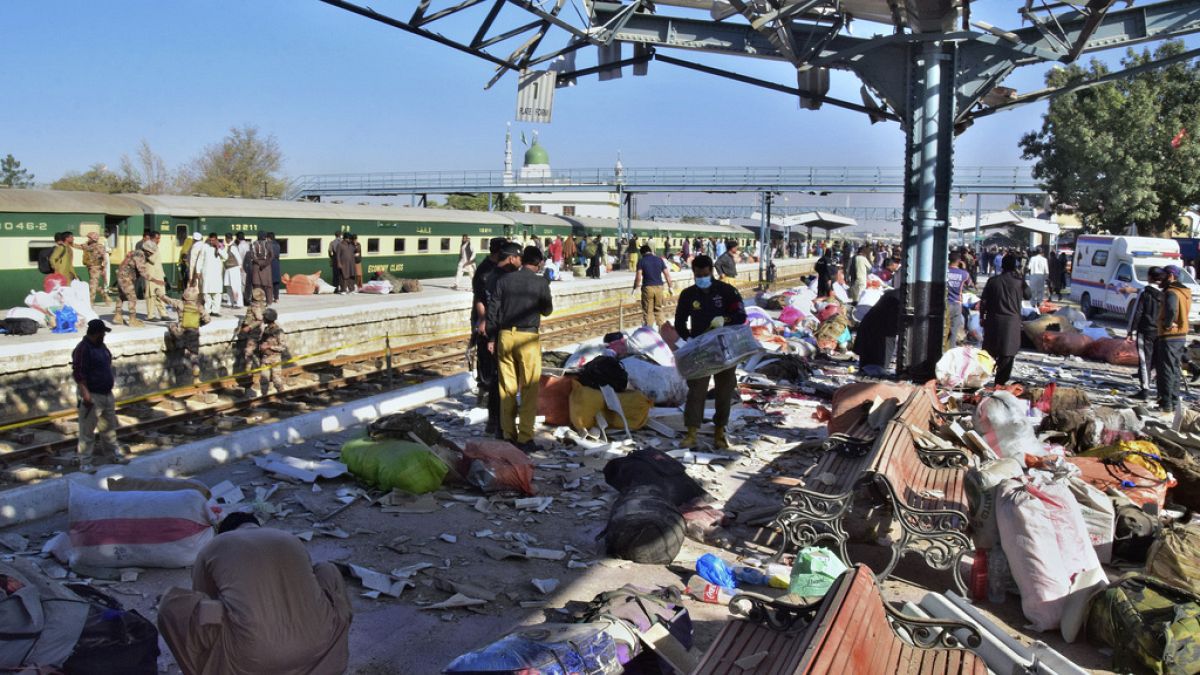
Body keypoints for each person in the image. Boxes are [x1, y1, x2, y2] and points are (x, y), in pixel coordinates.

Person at [156, 512, 352, 675]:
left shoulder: (213, 546)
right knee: (327, 570)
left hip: (251, 656)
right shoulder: (289, 538)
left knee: (176, 604)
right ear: (256, 526)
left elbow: (202, 597)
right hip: (318, 644)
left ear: (223, 533)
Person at [674, 255, 747, 450]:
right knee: (696, 391)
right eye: (698, 275)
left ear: (711, 272)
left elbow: (741, 315)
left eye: (705, 274)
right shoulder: (688, 294)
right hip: (700, 350)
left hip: (724, 348)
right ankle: (691, 433)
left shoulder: (727, 291)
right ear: (693, 273)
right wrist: (689, 340)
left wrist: (725, 320)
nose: (701, 278)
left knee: (724, 390)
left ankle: (719, 432)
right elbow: (679, 322)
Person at [487, 245, 554, 452]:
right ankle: (525, 438)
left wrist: (492, 337)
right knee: (529, 388)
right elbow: (547, 310)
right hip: (528, 339)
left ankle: (508, 436)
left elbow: (493, 310)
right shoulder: (541, 282)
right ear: (539, 263)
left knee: (507, 389)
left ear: (523, 259)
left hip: (505, 336)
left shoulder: (503, 280)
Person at [471, 238, 510, 435]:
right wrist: (484, 320)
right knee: (488, 364)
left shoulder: (498, 270)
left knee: (495, 369)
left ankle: (495, 410)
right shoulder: (485, 272)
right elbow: (481, 299)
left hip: (494, 321)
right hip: (485, 321)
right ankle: (485, 396)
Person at [72, 319, 120, 471]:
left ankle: (112, 455)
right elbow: (79, 373)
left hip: (106, 393)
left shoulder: (102, 347)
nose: (104, 336)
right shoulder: (82, 349)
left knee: (109, 428)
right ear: (96, 333)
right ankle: (85, 462)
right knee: (87, 430)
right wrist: (85, 393)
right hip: (92, 395)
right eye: (103, 333)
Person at [980, 254, 1031, 385]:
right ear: (1015, 267)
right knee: (1007, 354)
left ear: (1001, 266)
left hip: (993, 321)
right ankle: (1000, 383)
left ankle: (982, 381)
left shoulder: (993, 281)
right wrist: (1022, 278)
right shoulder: (1019, 282)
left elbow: (984, 301)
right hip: (1011, 323)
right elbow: (1028, 295)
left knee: (989, 354)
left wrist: (981, 316)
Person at [1155, 265, 1191, 413]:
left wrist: (1167, 324)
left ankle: (1167, 403)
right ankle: (1174, 401)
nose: (1159, 280)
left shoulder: (1171, 292)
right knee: (1175, 369)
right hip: (1180, 335)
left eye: (1162, 276)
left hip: (1170, 336)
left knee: (1166, 370)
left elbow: (1171, 309)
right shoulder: (1184, 292)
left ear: (1170, 276)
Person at [1126, 266, 1164, 401]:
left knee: (1144, 360)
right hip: (1160, 332)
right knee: (1156, 361)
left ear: (1149, 277)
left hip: (1145, 330)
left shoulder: (1145, 293)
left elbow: (1137, 312)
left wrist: (1131, 331)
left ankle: (1145, 390)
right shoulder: (1165, 293)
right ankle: (1159, 391)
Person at [164, 287, 210, 383]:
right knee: (194, 356)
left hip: (180, 333)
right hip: (193, 334)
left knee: (171, 326)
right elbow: (208, 319)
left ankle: (173, 346)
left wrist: (159, 293)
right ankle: (196, 377)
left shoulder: (180, 304)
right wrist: (199, 324)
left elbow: (167, 300)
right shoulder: (199, 307)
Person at [855, 289, 901, 378]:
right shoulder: (898, 298)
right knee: (877, 367)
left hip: (873, 328)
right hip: (879, 331)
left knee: (868, 366)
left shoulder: (895, 294)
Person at [632, 244, 673, 328]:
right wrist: (670, 287)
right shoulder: (659, 260)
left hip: (648, 288)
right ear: (650, 251)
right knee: (659, 309)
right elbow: (667, 275)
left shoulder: (641, 261)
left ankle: (649, 333)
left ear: (642, 253)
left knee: (648, 311)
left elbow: (638, 277)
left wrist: (635, 288)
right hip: (659, 287)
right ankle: (662, 333)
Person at [114, 244, 152, 327]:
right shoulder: (140, 255)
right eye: (151, 252)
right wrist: (152, 279)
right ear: (148, 251)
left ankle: (118, 316)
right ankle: (132, 320)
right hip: (125, 277)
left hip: (121, 274)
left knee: (121, 296)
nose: (151, 254)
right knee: (132, 298)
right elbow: (141, 269)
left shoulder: (136, 252)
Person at [254, 308, 290, 396]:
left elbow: (283, 347)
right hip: (265, 358)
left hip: (275, 359)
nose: (263, 319)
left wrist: (270, 346)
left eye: (264, 317)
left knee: (276, 380)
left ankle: (282, 396)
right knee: (263, 380)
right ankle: (264, 397)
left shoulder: (278, 331)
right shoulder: (266, 329)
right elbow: (262, 341)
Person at [238, 288, 268, 381]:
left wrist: (249, 327)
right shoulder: (262, 305)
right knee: (257, 351)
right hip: (257, 330)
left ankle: (248, 371)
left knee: (249, 350)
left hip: (254, 331)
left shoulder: (256, 306)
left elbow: (259, 319)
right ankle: (257, 370)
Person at [195, 233, 228, 316]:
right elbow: (200, 259)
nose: (212, 242)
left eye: (213, 240)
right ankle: (207, 311)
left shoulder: (221, 247)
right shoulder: (205, 247)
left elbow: (226, 257)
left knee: (217, 293)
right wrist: (198, 271)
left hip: (217, 274)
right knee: (206, 293)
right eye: (210, 240)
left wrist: (218, 248)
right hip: (207, 273)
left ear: (216, 240)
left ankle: (215, 311)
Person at [946, 252, 974, 347]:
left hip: (945, 303)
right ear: (959, 261)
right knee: (954, 330)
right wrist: (964, 269)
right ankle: (951, 349)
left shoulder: (944, 271)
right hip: (957, 303)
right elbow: (970, 285)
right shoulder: (964, 274)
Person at [143, 235, 170, 321]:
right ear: (152, 238)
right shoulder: (146, 247)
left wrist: (164, 276)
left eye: (159, 239)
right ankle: (150, 315)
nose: (158, 240)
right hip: (150, 275)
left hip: (159, 275)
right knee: (151, 296)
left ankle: (163, 314)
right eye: (157, 238)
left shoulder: (155, 247)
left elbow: (158, 263)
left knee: (161, 295)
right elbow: (151, 259)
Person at [80, 231, 109, 305]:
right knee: (95, 284)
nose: (88, 239)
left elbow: (105, 258)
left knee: (92, 285)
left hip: (96, 268)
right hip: (90, 267)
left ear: (93, 239)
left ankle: (90, 302)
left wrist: (103, 269)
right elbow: (82, 247)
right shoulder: (89, 245)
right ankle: (106, 298)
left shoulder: (99, 246)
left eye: (89, 238)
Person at [248, 234, 275, 304]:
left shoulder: (253, 244)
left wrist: (258, 263)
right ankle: (269, 302)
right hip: (266, 267)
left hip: (256, 266)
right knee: (268, 286)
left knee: (256, 285)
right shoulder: (268, 244)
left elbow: (251, 255)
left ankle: (257, 301)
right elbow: (272, 256)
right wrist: (265, 264)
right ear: (265, 237)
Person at [223, 233, 245, 308]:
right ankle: (230, 302)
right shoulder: (227, 246)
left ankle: (239, 303)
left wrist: (240, 266)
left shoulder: (233, 247)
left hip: (234, 269)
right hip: (228, 269)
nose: (226, 239)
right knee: (229, 286)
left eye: (227, 238)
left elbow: (238, 257)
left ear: (229, 238)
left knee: (236, 286)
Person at [266, 232, 283, 300]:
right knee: (276, 282)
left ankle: (269, 297)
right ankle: (276, 297)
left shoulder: (268, 245)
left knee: (270, 282)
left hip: (270, 264)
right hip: (276, 264)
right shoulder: (277, 244)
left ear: (269, 238)